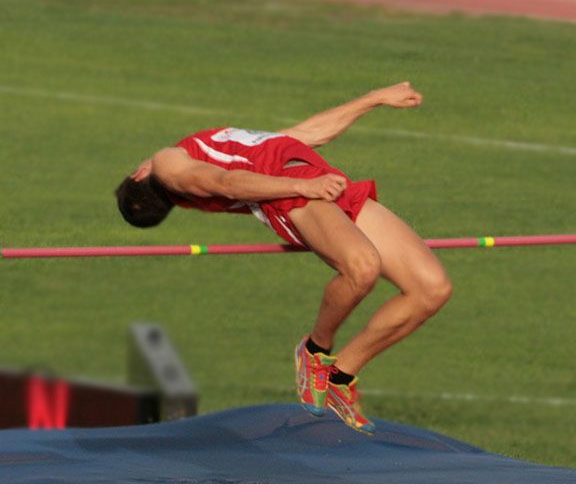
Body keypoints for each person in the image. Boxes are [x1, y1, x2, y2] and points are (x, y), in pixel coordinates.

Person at [116, 82, 452, 434]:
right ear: (140, 173)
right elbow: (227, 183)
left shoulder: (212, 149)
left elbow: (305, 134)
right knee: (361, 267)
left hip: (318, 179)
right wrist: (301, 187)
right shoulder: (168, 165)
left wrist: (375, 99)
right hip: (295, 191)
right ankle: (314, 351)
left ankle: (340, 375)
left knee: (431, 289)